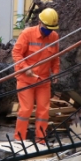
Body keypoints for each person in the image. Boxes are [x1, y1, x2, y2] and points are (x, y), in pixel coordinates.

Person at [12, 8, 60, 144]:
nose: (49, 31)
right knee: (26, 110)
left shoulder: (54, 37)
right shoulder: (27, 34)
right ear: (40, 22)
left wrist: (55, 71)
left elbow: (55, 57)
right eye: (47, 27)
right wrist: (25, 68)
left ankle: (41, 140)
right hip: (26, 79)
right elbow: (16, 53)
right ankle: (19, 139)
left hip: (43, 80)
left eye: (51, 28)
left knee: (43, 111)